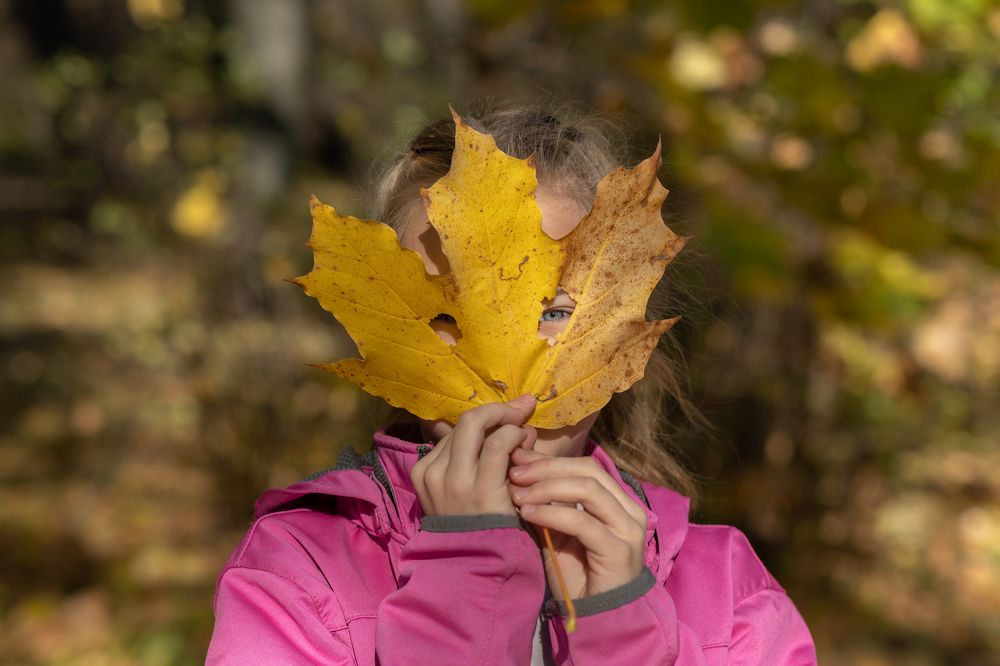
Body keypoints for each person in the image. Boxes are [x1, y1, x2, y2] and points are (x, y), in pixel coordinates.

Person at [206, 106, 818, 665]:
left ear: (623, 335)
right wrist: (466, 578)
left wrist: (623, 635)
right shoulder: (303, 571)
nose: (501, 375)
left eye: (554, 312)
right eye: (446, 318)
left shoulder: (732, 598)